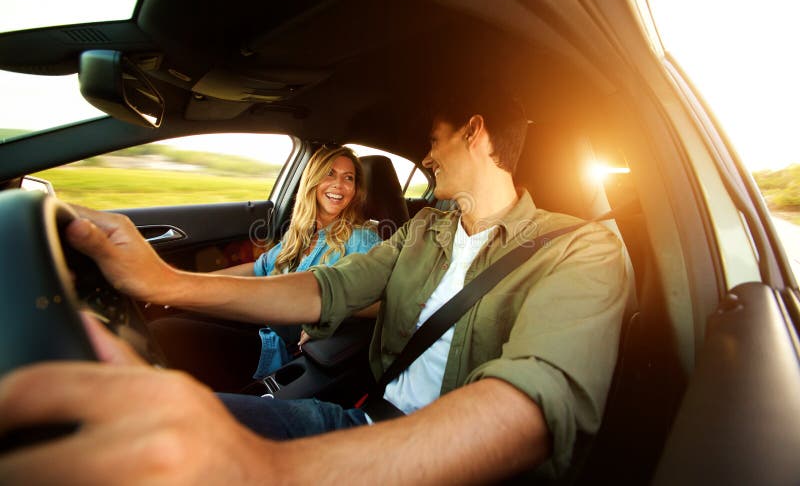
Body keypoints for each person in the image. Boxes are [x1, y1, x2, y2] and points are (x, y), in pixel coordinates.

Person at [0, 86, 632, 483]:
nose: (428, 156)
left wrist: (271, 470)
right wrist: (166, 281)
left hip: (451, 469)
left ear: (475, 131)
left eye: (434, 141)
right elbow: (324, 289)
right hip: (359, 423)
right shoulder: (423, 232)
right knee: (127, 441)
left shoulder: (582, 249)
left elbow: (532, 409)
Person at [149, 145, 382, 390]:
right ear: (312, 181)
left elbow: (384, 298)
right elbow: (256, 269)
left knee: (165, 334)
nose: (339, 185)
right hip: (258, 321)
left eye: (349, 178)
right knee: (175, 315)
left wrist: (332, 313)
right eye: (330, 174)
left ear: (355, 190)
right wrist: (185, 283)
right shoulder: (300, 233)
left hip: (281, 348)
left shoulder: (363, 239)